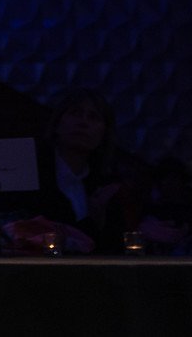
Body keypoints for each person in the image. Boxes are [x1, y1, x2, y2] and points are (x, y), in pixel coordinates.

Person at [29, 88, 122, 247]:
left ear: (104, 133)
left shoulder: (105, 186)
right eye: (75, 113)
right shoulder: (31, 173)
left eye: (93, 117)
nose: (83, 122)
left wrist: (100, 221)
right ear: (58, 124)